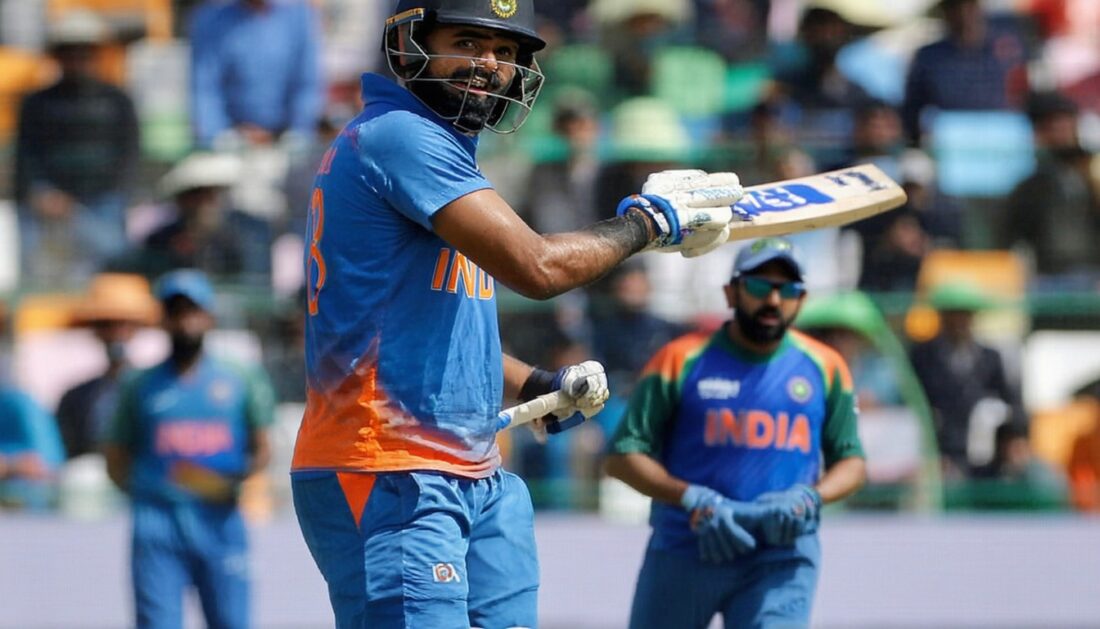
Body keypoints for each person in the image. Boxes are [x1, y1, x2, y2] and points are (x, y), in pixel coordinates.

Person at [289, 1, 744, 627]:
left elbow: (425, 324)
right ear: (409, 42)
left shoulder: (441, 151)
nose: (489, 64)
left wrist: (533, 383)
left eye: (505, 52)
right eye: (467, 43)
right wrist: (647, 224)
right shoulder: (402, 136)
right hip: (390, 468)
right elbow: (539, 269)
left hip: (470, 470)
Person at [605, 237, 867, 629]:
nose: (773, 301)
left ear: (802, 299)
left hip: (781, 554)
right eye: (759, 286)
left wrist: (811, 498)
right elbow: (622, 457)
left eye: (787, 290)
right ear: (731, 293)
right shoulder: (679, 359)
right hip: (686, 547)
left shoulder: (826, 367)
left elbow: (852, 463)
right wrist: (690, 497)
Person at [102, 269, 275, 629]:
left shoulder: (239, 378)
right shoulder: (140, 385)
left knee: (231, 621)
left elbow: (262, 446)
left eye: (192, 310)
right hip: (158, 524)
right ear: (162, 319)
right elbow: (116, 456)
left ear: (209, 316)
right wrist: (150, 491)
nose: (185, 321)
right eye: (175, 311)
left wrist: (235, 479)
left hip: (220, 520)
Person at [14, 10, 140, 288]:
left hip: (102, 204)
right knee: (39, 276)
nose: (77, 59)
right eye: (69, 52)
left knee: (115, 265)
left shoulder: (118, 101)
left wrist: (100, 200)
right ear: (57, 56)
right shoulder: (37, 104)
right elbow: (27, 158)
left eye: (84, 52)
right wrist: (44, 194)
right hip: (49, 205)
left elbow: (129, 158)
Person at [909, 281, 1028, 479]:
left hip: (988, 453)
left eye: (964, 314)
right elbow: (912, 405)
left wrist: (1014, 438)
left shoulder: (991, 358)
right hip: (941, 453)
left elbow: (1011, 402)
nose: (958, 321)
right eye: (952, 314)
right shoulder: (922, 356)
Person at [187, 0, 323, 149]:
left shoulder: (298, 14)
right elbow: (205, 87)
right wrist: (217, 135)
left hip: (284, 139)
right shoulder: (212, 18)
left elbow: (307, 82)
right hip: (232, 139)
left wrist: (299, 130)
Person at [56, 273, 161, 459]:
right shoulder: (76, 398)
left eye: (123, 324)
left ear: (137, 327)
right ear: (95, 330)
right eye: (106, 324)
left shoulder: (156, 390)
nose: (115, 333)